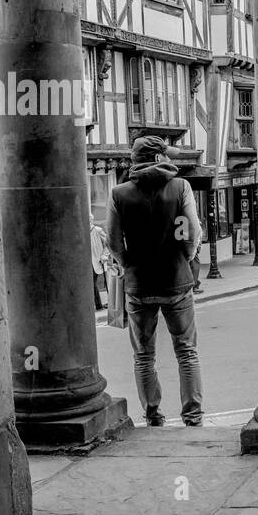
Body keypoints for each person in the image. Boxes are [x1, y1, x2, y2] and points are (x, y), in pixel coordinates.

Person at [107, 135, 204, 427]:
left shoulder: (119, 194)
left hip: (139, 285)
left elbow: (113, 242)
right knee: (186, 352)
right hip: (176, 280)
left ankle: (153, 415)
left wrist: (129, 264)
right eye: (168, 155)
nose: (172, 160)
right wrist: (184, 259)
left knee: (143, 356)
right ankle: (193, 415)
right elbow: (191, 232)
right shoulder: (180, 187)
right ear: (159, 158)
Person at [89, 213, 110, 310]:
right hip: (90, 263)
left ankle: (112, 304)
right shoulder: (84, 233)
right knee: (92, 284)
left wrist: (104, 256)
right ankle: (98, 305)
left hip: (101, 261)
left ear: (91, 220)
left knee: (108, 284)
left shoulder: (97, 230)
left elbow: (108, 244)